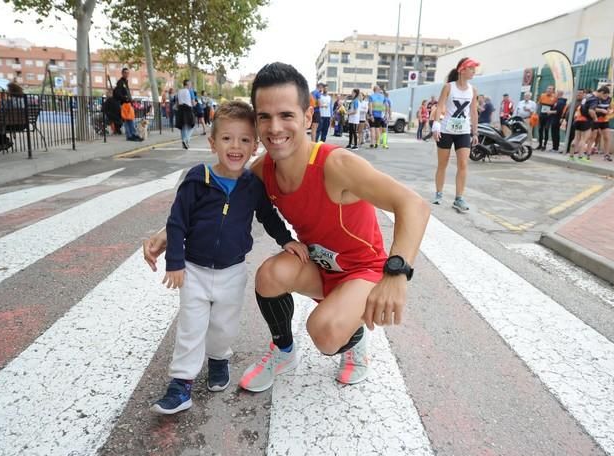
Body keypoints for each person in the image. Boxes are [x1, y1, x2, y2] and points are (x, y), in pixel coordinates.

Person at [143, 62, 429, 392]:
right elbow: (223, 195)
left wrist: (396, 273)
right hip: (319, 267)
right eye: (264, 116)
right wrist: (168, 234)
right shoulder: (263, 169)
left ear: (308, 117)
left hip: (362, 271)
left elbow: (413, 205)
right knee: (269, 275)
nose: (275, 127)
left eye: (286, 115)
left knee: (325, 332)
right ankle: (283, 351)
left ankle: (355, 340)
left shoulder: (336, 165)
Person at [150, 101, 308, 415]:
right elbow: (177, 221)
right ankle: (180, 385)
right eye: (227, 139)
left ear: (254, 146)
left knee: (223, 326)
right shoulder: (198, 178)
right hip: (193, 269)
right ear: (212, 143)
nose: (235, 146)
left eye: (245, 140)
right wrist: (176, 263)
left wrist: (287, 240)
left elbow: (268, 216)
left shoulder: (252, 185)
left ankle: (219, 359)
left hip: (233, 270)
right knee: (191, 327)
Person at [431, 57, 479, 213]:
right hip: (446, 131)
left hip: (463, 131)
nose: (474, 71)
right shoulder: (448, 87)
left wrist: (475, 131)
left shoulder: (473, 90)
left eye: (474, 69)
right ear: (462, 70)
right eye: (471, 68)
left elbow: (473, 112)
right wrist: (436, 125)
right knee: (442, 164)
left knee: (463, 164)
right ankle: (439, 194)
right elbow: (439, 107)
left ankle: (459, 198)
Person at [572, 86, 611, 162]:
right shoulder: (594, 98)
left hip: (580, 119)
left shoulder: (588, 96)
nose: (605, 98)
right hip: (587, 119)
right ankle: (581, 157)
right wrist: (595, 119)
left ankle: (571, 156)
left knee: (577, 138)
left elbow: (584, 107)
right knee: (584, 139)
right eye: (604, 95)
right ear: (602, 92)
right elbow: (591, 110)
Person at [113, 68, 142, 142]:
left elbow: (126, 92)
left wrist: (130, 100)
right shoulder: (120, 82)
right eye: (125, 73)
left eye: (128, 73)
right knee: (127, 119)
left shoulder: (125, 82)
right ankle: (129, 135)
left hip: (128, 103)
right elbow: (117, 93)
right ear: (122, 73)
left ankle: (133, 134)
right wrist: (125, 98)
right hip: (124, 103)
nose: (127, 74)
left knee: (131, 119)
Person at [175, 79, 196, 150]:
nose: (191, 85)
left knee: (183, 126)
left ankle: (184, 142)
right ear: (187, 84)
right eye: (190, 84)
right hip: (188, 109)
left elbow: (177, 104)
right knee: (192, 125)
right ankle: (185, 140)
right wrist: (196, 103)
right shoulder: (190, 91)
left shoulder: (179, 91)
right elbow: (193, 103)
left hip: (180, 109)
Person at [536, 85, 557, 150]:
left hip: (549, 116)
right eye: (548, 88)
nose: (549, 90)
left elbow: (556, 108)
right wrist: (537, 113)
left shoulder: (555, 97)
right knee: (540, 130)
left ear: (553, 91)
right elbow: (539, 104)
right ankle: (540, 144)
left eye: (551, 89)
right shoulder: (542, 95)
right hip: (542, 115)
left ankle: (544, 145)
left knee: (546, 130)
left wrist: (552, 112)